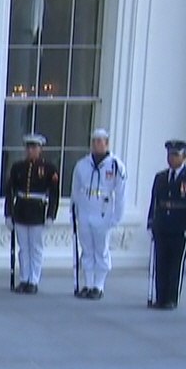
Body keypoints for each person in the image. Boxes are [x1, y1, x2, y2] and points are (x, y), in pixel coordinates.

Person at [147, 139, 186, 310]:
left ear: (184, 157)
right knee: (161, 262)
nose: (171, 158)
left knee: (176, 264)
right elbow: (155, 201)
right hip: (162, 225)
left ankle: (171, 298)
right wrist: (151, 221)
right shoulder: (161, 177)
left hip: (180, 226)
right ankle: (160, 296)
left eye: (175, 155)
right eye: (169, 155)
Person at [71, 128, 127, 300]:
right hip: (86, 209)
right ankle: (88, 284)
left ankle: (99, 285)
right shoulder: (82, 164)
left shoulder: (116, 165)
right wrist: (74, 211)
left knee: (101, 250)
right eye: (94, 141)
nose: (96, 144)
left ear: (107, 143)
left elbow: (121, 194)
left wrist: (117, 217)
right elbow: (75, 189)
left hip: (103, 211)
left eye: (100, 141)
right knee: (87, 249)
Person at [3, 133, 60, 294]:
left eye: (34, 147)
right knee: (23, 248)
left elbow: (54, 193)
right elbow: (10, 191)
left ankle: (34, 279)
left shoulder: (49, 168)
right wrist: (8, 213)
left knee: (35, 248)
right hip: (21, 209)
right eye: (28, 147)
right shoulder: (18, 167)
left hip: (37, 210)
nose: (30, 150)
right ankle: (24, 278)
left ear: (40, 149)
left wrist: (51, 215)